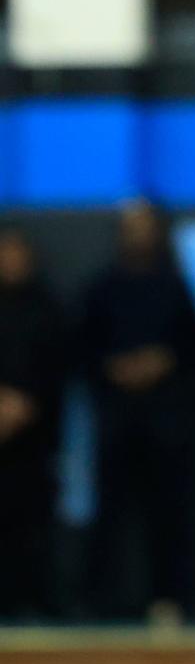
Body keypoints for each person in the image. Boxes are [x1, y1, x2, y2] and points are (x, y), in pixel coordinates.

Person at [82, 199, 195, 622]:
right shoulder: (102, 287)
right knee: (109, 513)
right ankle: (101, 603)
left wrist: (162, 361)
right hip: (116, 420)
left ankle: (168, 600)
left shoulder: (176, 287)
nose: (138, 234)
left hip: (166, 422)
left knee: (167, 514)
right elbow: (83, 349)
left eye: (145, 225)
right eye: (131, 226)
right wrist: (114, 368)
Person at [0, 226, 66, 619]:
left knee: (31, 521)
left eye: (17, 253)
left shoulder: (47, 308)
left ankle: (33, 599)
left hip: (34, 434)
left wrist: (23, 406)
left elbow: (58, 364)